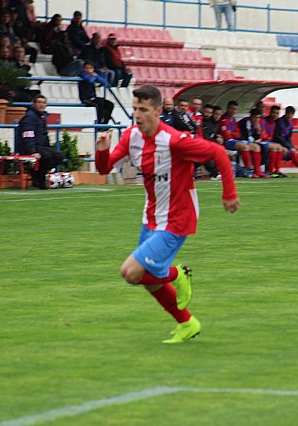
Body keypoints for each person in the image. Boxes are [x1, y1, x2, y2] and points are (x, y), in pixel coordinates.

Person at [94, 84, 240, 343]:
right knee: (145, 278)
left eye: (144, 110)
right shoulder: (131, 137)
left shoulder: (173, 140)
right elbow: (104, 169)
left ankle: (177, 275)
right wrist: (102, 148)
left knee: (129, 272)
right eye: (135, 109)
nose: (138, 115)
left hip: (178, 218)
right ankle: (186, 322)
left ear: (158, 110)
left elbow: (218, 152)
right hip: (151, 216)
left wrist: (228, 193)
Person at [16, 95, 64, 189]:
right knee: (46, 156)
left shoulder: (42, 116)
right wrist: (32, 151)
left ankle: (36, 173)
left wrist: (48, 147)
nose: (41, 105)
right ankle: (40, 179)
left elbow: (44, 134)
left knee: (59, 157)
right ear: (34, 104)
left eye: (43, 103)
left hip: (41, 146)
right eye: (39, 102)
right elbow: (27, 135)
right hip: (31, 147)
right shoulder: (29, 117)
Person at [219, 100, 259, 177]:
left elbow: (238, 134)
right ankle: (248, 170)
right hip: (227, 142)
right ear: (227, 108)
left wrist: (231, 133)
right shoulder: (223, 119)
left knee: (256, 147)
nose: (233, 111)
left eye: (235, 109)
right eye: (231, 108)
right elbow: (226, 135)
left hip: (235, 140)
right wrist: (232, 134)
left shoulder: (233, 119)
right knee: (245, 147)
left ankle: (257, 171)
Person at [259, 105, 287, 177]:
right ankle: (270, 170)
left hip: (269, 142)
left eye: (277, 113)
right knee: (275, 147)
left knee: (280, 148)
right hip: (261, 141)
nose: (275, 115)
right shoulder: (263, 121)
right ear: (270, 112)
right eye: (274, 113)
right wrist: (268, 138)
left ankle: (277, 170)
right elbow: (262, 135)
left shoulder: (275, 123)